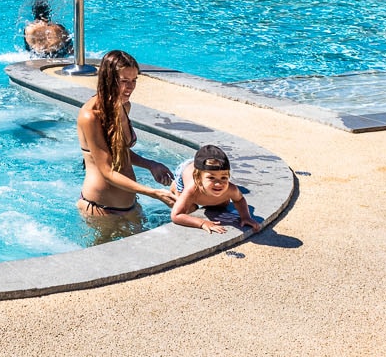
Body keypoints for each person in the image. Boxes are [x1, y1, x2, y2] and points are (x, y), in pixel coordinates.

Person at [76, 49, 175, 222]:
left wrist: (150, 164)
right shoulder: (90, 116)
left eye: (134, 80)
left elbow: (118, 151)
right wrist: (153, 193)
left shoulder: (123, 106)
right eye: (124, 81)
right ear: (108, 80)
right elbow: (106, 170)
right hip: (101, 210)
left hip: (130, 205)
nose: (130, 87)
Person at [171, 144, 261, 233]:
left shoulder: (231, 189)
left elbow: (239, 200)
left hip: (201, 168)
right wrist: (202, 223)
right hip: (186, 170)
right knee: (189, 209)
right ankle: (169, 190)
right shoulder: (192, 189)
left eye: (224, 178)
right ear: (198, 179)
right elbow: (176, 216)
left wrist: (246, 216)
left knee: (222, 205)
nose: (218, 184)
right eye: (211, 178)